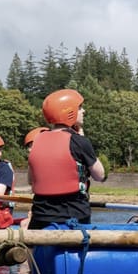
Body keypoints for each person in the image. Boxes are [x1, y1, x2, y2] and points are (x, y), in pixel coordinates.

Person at [27, 89, 106, 228]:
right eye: (80, 108)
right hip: (73, 215)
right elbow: (100, 175)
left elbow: (30, 179)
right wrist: (83, 139)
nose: (83, 111)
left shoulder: (38, 140)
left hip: (40, 215)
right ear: (68, 112)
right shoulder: (79, 141)